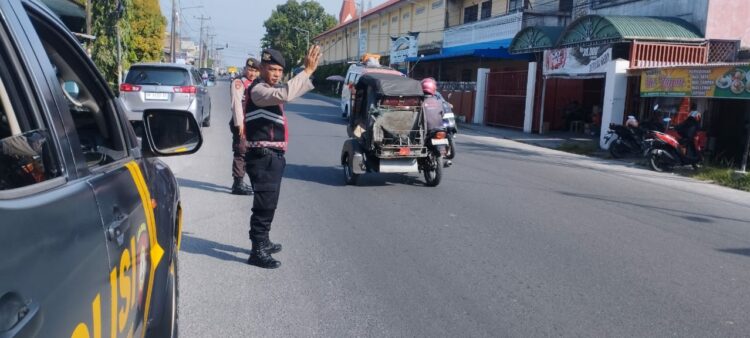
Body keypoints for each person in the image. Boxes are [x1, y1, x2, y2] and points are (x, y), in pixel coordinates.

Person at [244, 46, 321, 269]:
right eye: (272, 69)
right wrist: (306, 71)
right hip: (262, 156)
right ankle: (257, 250)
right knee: (263, 205)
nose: (276, 74)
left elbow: (286, 91)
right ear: (260, 68)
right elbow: (285, 93)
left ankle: (264, 241)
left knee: (270, 203)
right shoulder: (259, 91)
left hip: (272, 157)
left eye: (279, 70)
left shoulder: (269, 88)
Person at [228, 58, 260, 195]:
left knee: (251, 152)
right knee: (241, 152)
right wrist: (239, 123)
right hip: (242, 124)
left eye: (255, 71)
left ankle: (245, 181)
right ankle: (238, 184)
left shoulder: (257, 83)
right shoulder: (239, 82)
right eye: (250, 70)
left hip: (253, 123)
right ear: (245, 69)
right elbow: (236, 105)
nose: (252, 73)